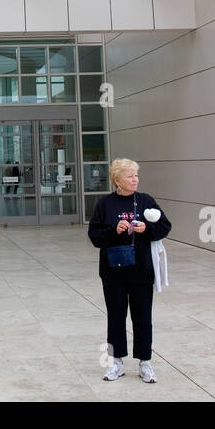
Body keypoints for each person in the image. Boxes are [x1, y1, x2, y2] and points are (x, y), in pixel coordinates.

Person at [87, 157, 171, 383]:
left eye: (136, 175)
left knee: (143, 318)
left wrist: (147, 228)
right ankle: (116, 363)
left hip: (141, 271)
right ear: (117, 180)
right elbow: (94, 236)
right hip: (113, 272)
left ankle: (145, 362)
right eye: (130, 176)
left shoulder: (145, 201)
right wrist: (115, 230)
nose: (135, 180)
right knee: (115, 318)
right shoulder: (105, 204)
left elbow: (165, 226)